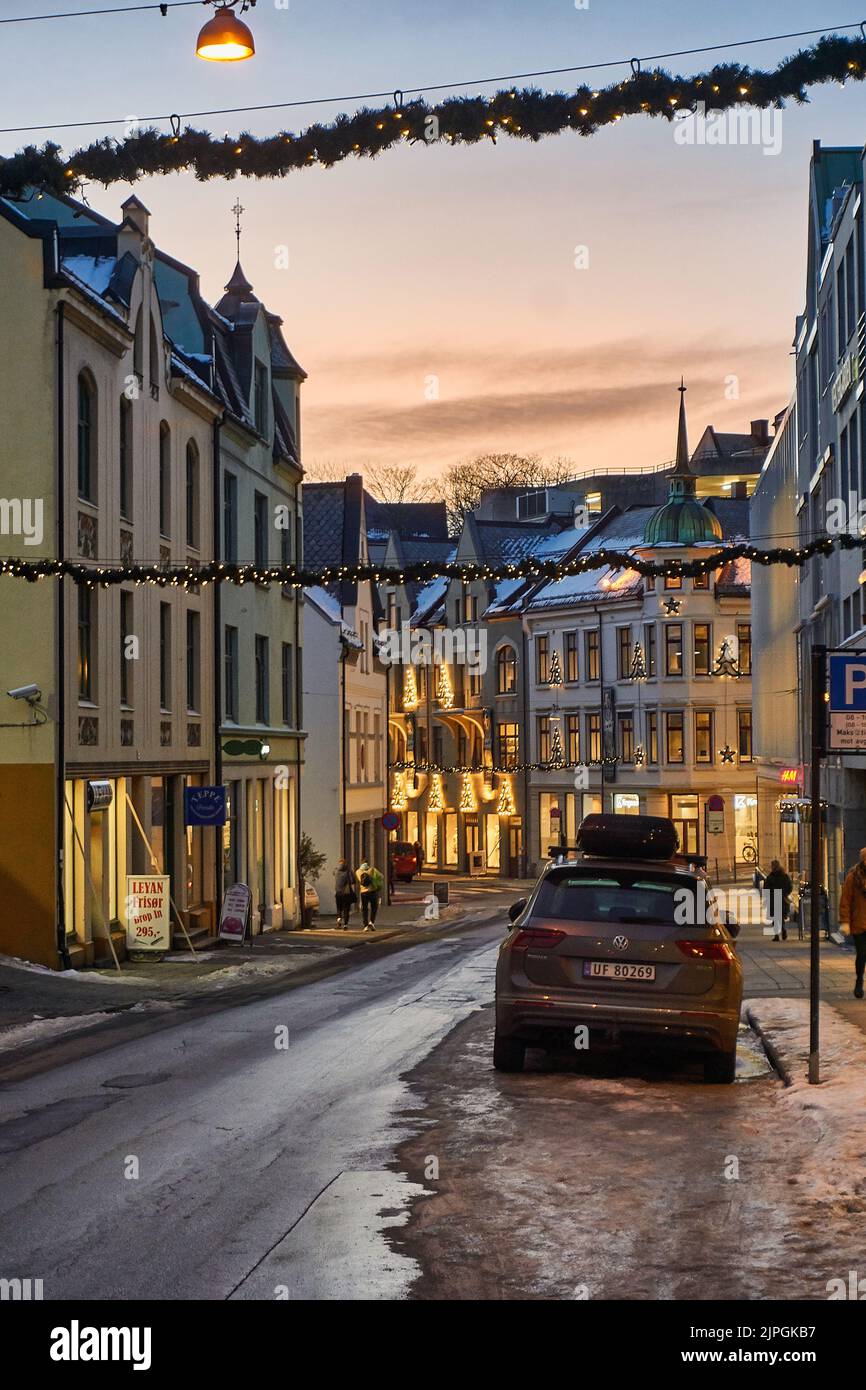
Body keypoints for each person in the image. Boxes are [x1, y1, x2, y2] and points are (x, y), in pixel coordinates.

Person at [839, 849, 866, 998]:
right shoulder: (853, 878)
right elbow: (845, 902)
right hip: (858, 924)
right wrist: (845, 922)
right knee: (861, 954)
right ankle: (859, 980)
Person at [763, 859, 793, 942]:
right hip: (782, 898)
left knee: (775, 918)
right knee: (780, 917)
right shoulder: (784, 876)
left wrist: (767, 896)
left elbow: (766, 888)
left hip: (774, 899)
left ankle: (778, 934)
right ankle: (782, 931)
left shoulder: (771, 877)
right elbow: (789, 887)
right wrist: (785, 893)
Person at [356, 860, 383, 931]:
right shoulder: (372, 870)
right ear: (367, 864)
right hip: (372, 891)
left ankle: (365, 926)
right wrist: (375, 880)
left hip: (363, 892)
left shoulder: (358, 871)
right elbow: (381, 876)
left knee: (364, 909)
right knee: (374, 907)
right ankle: (371, 922)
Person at [333, 858, 355, 929]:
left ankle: (339, 921)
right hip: (346, 893)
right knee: (346, 909)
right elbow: (352, 881)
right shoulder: (348, 871)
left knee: (339, 908)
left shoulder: (336, 871)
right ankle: (345, 925)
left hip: (338, 893)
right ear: (345, 864)